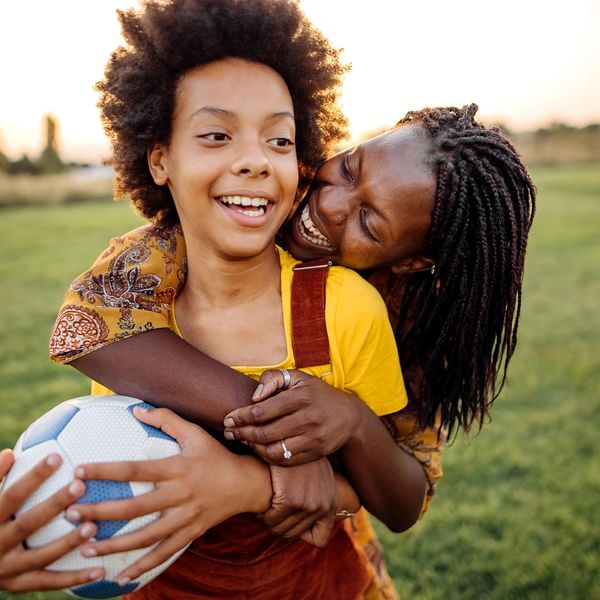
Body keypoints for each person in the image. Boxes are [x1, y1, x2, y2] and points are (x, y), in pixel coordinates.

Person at [1, 0, 429, 597]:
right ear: (159, 159)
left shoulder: (348, 307)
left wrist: (291, 457)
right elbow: (83, 333)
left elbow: (399, 492)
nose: (254, 159)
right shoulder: (136, 300)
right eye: (216, 134)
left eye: (280, 140)